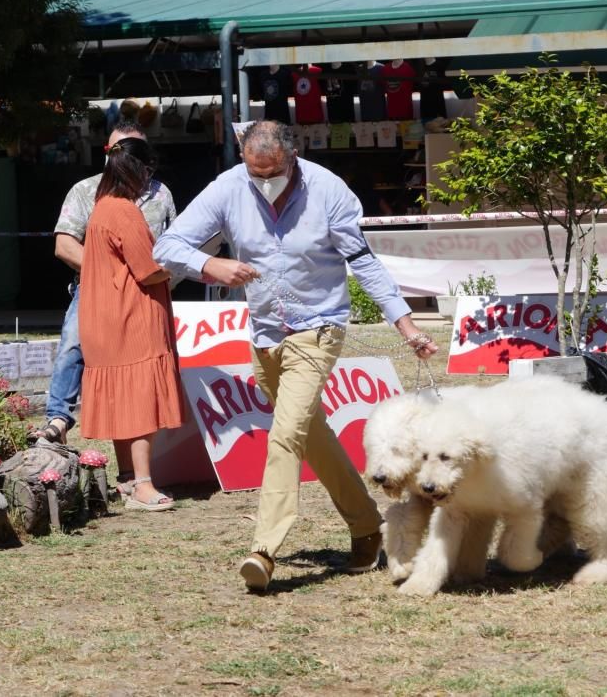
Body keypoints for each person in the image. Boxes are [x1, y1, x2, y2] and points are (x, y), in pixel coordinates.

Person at [153, 120, 439, 591]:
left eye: (273, 173)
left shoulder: (329, 191)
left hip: (318, 329)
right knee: (311, 436)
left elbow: (362, 262)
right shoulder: (228, 187)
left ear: (293, 158)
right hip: (264, 333)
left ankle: (264, 550)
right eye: (255, 173)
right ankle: (368, 526)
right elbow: (167, 245)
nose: (264, 182)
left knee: (286, 435)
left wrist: (406, 325)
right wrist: (211, 264)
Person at [30, 122, 177, 468]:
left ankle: (132, 472)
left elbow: (172, 243)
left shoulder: (161, 194)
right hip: (99, 289)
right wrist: (106, 274)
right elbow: (64, 244)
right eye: (122, 150)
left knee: (131, 372)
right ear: (109, 154)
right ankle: (58, 419)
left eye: (136, 150)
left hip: (147, 293)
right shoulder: (88, 192)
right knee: (74, 343)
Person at [78, 135, 187, 511]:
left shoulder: (101, 208)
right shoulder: (124, 211)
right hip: (131, 316)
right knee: (139, 399)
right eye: (148, 170)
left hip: (102, 317)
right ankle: (143, 485)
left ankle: (126, 479)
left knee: (121, 397)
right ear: (139, 170)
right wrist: (186, 262)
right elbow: (148, 270)